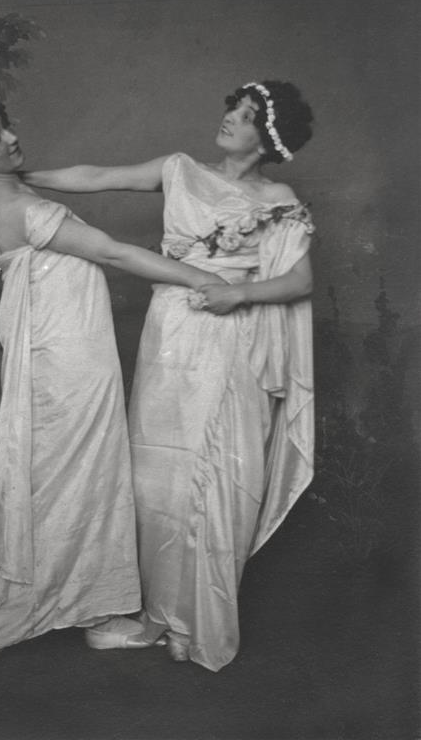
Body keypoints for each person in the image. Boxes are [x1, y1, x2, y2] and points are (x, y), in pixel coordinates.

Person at [23, 80, 316, 672]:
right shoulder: (179, 168)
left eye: (247, 115)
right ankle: (159, 615)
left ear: (268, 138)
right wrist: (22, 178)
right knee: (156, 474)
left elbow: (300, 281)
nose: (231, 118)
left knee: (213, 473)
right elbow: (97, 175)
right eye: (234, 108)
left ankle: (195, 622)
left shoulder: (277, 197)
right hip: (169, 331)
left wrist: (239, 294)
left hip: (230, 339)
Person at [0, 92, 224, 668]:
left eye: (6, 126)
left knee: (48, 475)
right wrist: (201, 277)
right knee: (85, 472)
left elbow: (71, 192)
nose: (11, 137)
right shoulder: (22, 205)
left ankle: (44, 612)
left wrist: (25, 175)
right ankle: (85, 613)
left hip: (41, 350)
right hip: (70, 356)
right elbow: (115, 254)